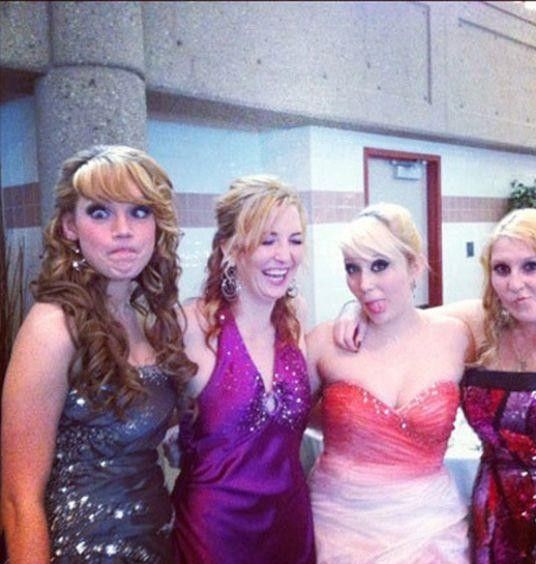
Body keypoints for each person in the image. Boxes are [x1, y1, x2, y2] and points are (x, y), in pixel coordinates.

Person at [335, 208, 536, 563]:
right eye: (502, 269)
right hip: (496, 530)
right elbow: (400, 319)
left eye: (531, 266)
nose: (515, 284)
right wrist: (354, 310)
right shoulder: (481, 327)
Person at [1, 145, 196, 562]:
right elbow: (18, 500)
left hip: (156, 544)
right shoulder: (53, 326)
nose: (123, 230)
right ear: (70, 226)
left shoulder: (145, 320)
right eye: (101, 212)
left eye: (139, 211)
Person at [307, 203, 470, 563]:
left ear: (414, 265)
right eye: (353, 268)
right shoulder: (324, 343)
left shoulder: (456, 336)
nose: (364, 285)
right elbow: (280, 423)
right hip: (339, 529)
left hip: (432, 528)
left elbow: (515, 309)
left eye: (379, 265)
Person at [171, 175, 316, 563]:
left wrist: (356, 315)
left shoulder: (296, 320)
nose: (285, 255)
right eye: (268, 240)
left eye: (295, 240)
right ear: (229, 247)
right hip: (215, 534)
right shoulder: (190, 325)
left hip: (290, 525)